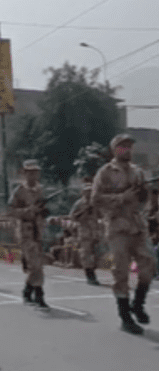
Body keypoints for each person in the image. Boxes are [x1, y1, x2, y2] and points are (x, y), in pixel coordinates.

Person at [91, 133, 156, 335]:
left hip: (137, 225)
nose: (127, 149)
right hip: (118, 227)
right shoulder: (106, 172)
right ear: (114, 149)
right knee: (121, 271)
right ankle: (125, 316)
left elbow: (144, 200)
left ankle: (137, 304)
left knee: (149, 264)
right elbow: (95, 199)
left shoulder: (138, 172)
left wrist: (144, 193)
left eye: (129, 146)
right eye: (122, 146)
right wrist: (120, 198)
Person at [8, 159, 51, 311]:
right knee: (35, 264)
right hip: (25, 230)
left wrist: (43, 211)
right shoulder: (19, 191)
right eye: (30, 172)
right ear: (24, 173)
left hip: (38, 230)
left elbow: (45, 209)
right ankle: (39, 294)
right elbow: (12, 211)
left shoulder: (41, 190)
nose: (33, 175)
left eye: (35, 172)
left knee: (38, 263)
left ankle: (28, 290)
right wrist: (28, 211)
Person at [70, 183, 101, 285]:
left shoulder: (95, 203)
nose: (89, 193)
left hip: (95, 232)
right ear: (83, 192)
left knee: (98, 254)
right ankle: (90, 275)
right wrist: (83, 213)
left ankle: (92, 270)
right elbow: (72, 216)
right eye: (87, 191)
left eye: (90, 191)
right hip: (84, 232)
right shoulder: (79, 203)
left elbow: (101, 214)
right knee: (86, 254)